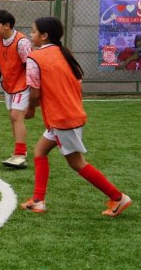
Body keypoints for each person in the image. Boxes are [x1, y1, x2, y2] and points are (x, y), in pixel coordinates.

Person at [21, 17, 132, 217]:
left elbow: (35, 93)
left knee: (77, 163)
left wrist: (30, 109)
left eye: (33, 31)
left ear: (44, 36)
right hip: (69, 114)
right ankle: (38, 200)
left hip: (63, 118)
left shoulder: (35, 58)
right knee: (39, 151)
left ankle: (118, 198)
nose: (31, 34)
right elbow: (77, 82)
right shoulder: (65, 53)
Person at [0, 9, 32, 169]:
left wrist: (35, 90)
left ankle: (20, 155)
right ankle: (19, 151)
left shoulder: (22, 42)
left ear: (7, 25)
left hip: (23, 85)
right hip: (9, 85)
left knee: (15, 115)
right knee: (12, 118)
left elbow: (30, 66)